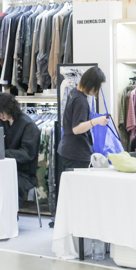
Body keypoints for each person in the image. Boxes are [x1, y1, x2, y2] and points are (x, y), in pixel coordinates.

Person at [55, 66, 109, 218]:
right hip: (76, 154)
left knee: (71, 193)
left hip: (68, 150)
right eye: (98, 87)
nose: (98, 91)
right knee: (78, 195)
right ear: (92, 85)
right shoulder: (81, 101)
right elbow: (77, 129)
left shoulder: (73, 93)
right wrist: (96, 121)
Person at [0, 93, 40, 199]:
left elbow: (26, 154)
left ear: (9, 108)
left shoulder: (28, 125)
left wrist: (2, 153)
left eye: (1, 112)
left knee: (5, 184)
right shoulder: (1, 123)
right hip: (3, 168)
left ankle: (9, 210)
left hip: (23, 173)